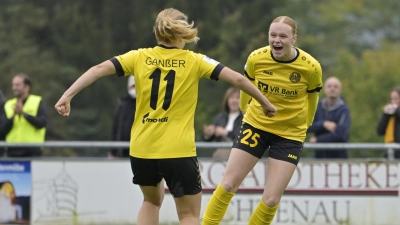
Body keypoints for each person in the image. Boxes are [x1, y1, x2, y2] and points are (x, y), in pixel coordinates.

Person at [55, 8, 276, 225]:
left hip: (142, 148)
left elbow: (98, 68)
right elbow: (238, 79)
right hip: (177, 149)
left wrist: (67, 96)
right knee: (188, 215)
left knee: (151, 202)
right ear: (182, 33)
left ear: (157, 33)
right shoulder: (195, 60)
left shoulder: (139, 56)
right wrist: (265, 102)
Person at [202, 16, 323, 225]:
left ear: (294, 38)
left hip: (289, 135)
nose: (277, 40)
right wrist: (244, 111)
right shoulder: (256, 58)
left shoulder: (311, 67)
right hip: (255, 125)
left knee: (271, 199)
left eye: (282, 36)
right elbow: (244, 87)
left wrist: (305, 125)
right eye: (273, 35)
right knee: (229, 183)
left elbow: (313, 99)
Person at [0, 74, 48, 157]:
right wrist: (13, 116)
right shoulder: (8, 104)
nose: (14, 88)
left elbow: (42, 123)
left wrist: (24, 114)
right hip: (12, 151)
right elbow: (2, 130)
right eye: (13, 85)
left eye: (18, 85)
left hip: (33, 150)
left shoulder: (38, 101)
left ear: (27, 87)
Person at [307, 76, 351, 158]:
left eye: (335, 86)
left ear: (340, 90)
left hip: (338, 158)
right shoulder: (317, 107)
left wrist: (318, 140)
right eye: (329, 86)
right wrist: (323, 124)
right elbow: (307, 126)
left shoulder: (344, 110)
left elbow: (342, 135)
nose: (332, 88)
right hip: (319, 158)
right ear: (325, 89)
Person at [203, 87, 243, 159]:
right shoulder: (221, 117)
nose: (234, 101)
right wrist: (208, 133)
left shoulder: (245, 118)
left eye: (237, 98)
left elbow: (242, 136)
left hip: (238, 152)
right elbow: (208, 139)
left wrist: (226, 133)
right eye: (231, 98)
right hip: (220, 151)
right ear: (227, 101)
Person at [108, 75, 137, 158]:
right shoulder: (122, 105)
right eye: (133, 86)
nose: (135, 89)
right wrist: (113, 151)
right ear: (128, 87)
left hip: (140, 150)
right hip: (123, 151)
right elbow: (116, 128)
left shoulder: (146, 104)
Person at [377, 87, 400, 159]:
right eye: (391, 99)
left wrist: (396, 111)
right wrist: (385, 114)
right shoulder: (389, 115)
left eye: (396, 99)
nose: (393, 102)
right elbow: (379, 131)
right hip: (390, 152)